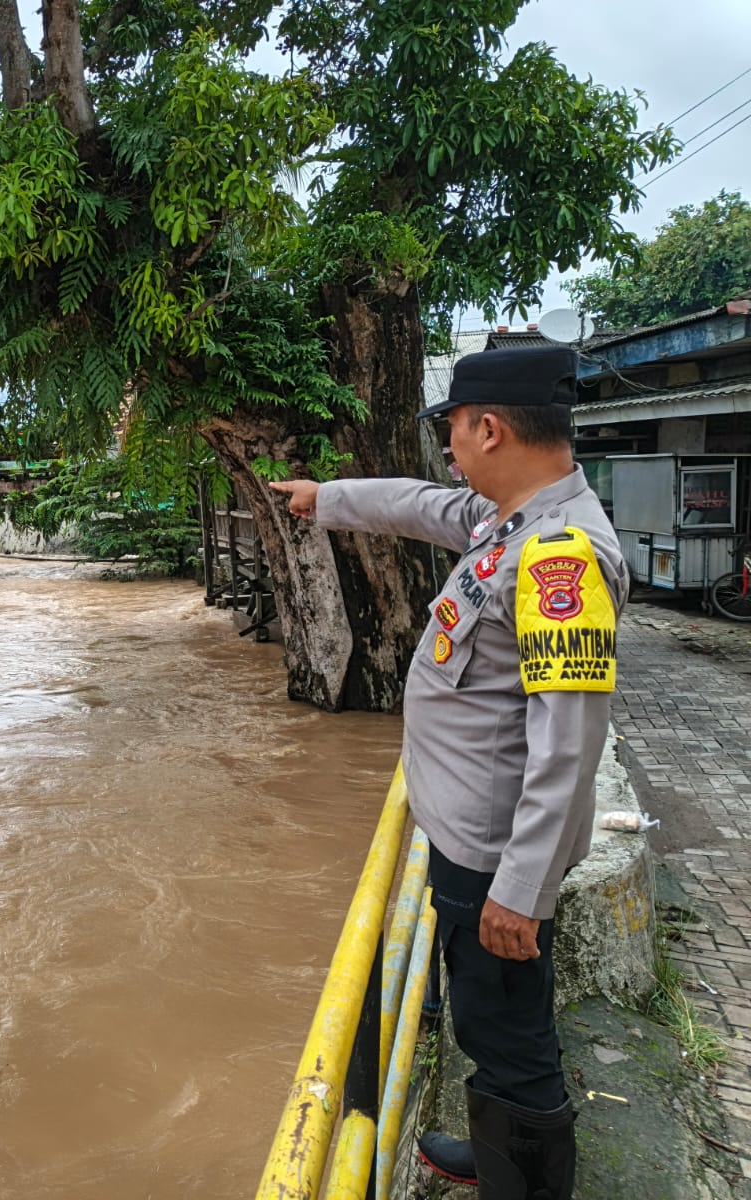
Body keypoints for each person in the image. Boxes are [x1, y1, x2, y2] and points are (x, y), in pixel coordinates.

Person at [269, 345, 628, 1200]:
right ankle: (498, 1150)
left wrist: (521, 890)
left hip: (496, 859)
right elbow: (420, 503)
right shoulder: (508, 520)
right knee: (489, 1016)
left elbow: (569, 744)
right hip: (471, 839)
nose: (451, 449)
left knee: (507, 1032)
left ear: (490, 429)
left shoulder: (559, 557)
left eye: (456, 431)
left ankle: (528, 1184)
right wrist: (326, 499)